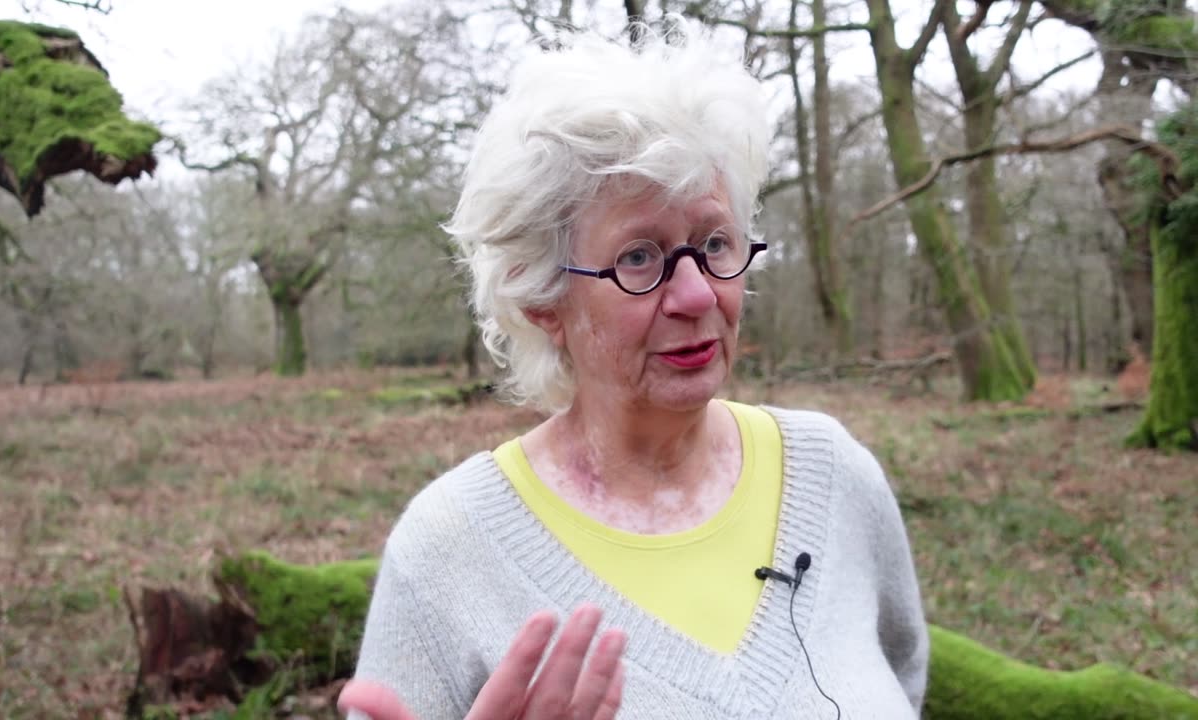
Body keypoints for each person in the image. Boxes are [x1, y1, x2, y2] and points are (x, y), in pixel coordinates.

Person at [338, 18, 928, 720]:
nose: (698, 293)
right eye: (639, 257)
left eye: (714, 242)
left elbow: (904, 680)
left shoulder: (834, 478)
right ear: (541, 296)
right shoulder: (447, 552)